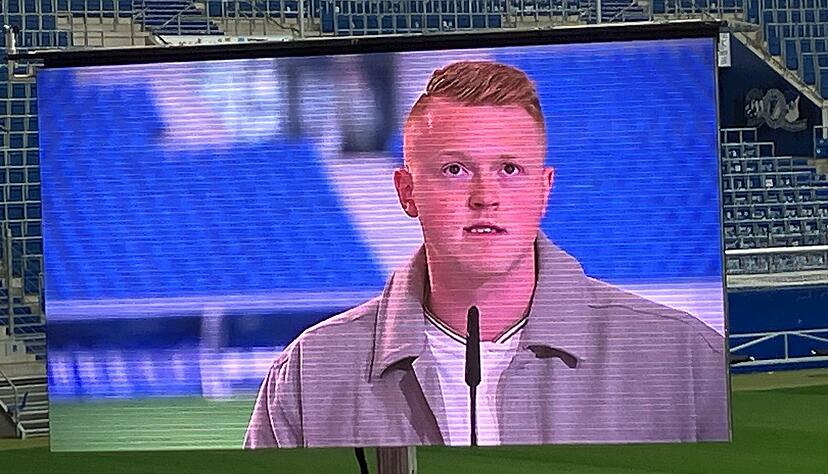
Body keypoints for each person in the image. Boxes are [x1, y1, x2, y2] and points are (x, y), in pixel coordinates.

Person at [244, 61, 729, 449]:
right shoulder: (311, 372)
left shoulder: (685, 359)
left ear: (544, 190)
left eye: (510, 169)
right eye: (455, 169)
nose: (485, 196)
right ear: (407, 191)